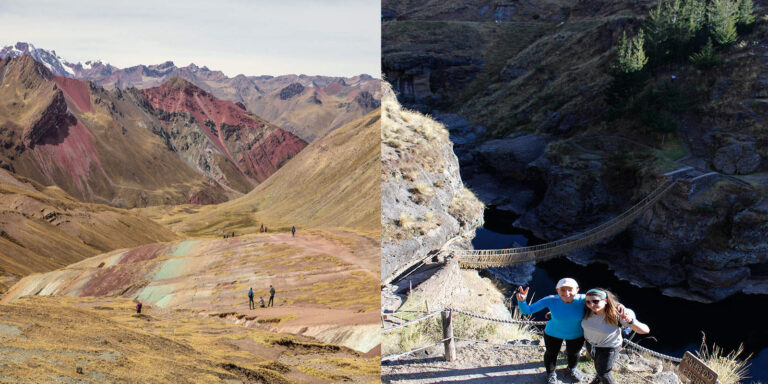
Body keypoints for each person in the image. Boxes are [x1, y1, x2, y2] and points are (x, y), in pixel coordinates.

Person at [517, 278, 586, 384]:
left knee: (574, 353)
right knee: (551, 354)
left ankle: (572, 369)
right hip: (553, 333)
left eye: (570, 289)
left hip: (576, 334)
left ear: (577, 290)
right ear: (557, 290)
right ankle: (551, 374)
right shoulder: (551, 299)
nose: (567, 293)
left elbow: (604, 299)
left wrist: (620, 307)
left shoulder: (584, 299)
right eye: (563, 290)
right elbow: (527, 310)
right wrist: (522, 301)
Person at [582, 288, 650, 384]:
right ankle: (598, 380)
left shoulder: (617, 315)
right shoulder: (587, 310)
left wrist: (630, 321)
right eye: (588, 302)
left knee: (604, 373)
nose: (591, 304)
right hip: (591, 344)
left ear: (606, 301)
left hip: (609, 348)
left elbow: (645, 330)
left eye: (595, 301)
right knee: (598, 366)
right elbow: (571, 297)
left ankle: (600, 378)